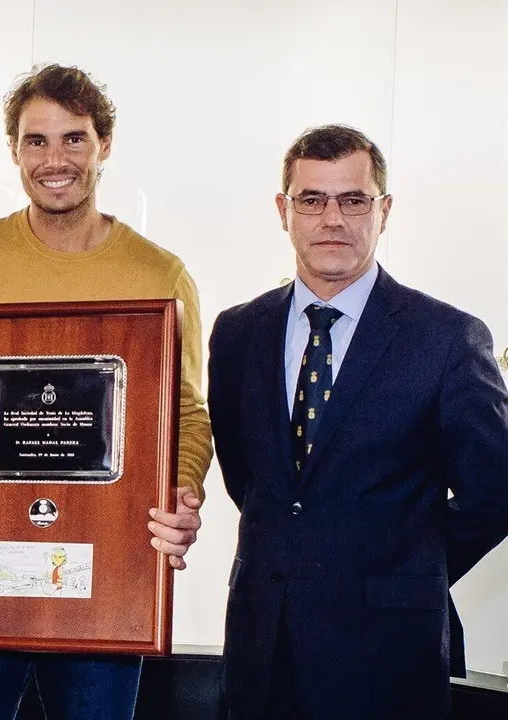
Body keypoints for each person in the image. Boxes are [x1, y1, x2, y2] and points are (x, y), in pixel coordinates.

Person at [0, 64, 213, 719]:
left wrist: (180, 495)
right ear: (14, 151)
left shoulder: (158, 273)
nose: (54, 159)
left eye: (74, 138)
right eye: (35, 141)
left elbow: (184, 413)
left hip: (108, 581)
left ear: (104, 146)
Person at [207, 124, 508, 719]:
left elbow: (497, 492)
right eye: (312, 200)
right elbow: (252, 481)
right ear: (283, 210)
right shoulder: (238, 332)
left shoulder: (446, 338)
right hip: (261, 650)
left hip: (388, 655)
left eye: (353, 200)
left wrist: (407, 564)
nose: (332, 219)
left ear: (383, 210)